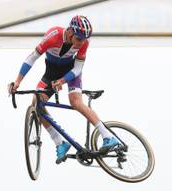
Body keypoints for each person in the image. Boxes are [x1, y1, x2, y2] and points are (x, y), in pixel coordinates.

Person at [9, 15, 119, 164]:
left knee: (75, 102)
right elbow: (32, 58)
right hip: (51, 73)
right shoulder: (53, 36)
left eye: (84, 39)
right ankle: (60, 142)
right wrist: (17, 82)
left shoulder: (84, 42)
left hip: (71, 73)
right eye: (79, 39)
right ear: (70, 32)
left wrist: (63, 80)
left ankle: (108, 136)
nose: (82, 43)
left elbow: (78, 67)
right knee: (36, 103)